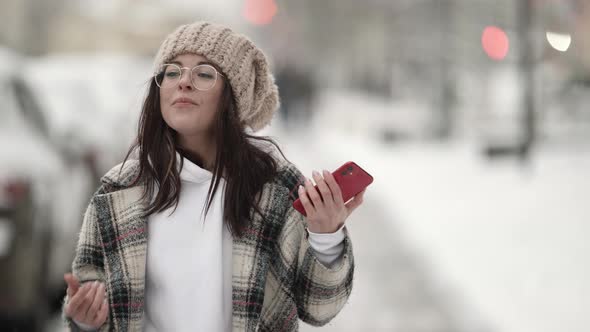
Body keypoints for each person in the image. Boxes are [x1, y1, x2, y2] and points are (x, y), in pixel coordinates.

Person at [61, 21, 366, 331]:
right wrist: (86, 321)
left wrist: (326, 237)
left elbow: (319, 309)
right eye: (172, 72)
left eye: (204, 74)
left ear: (232, 97)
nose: (184, 82)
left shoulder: (273, 187)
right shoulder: (120, 190)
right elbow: (91, 300)